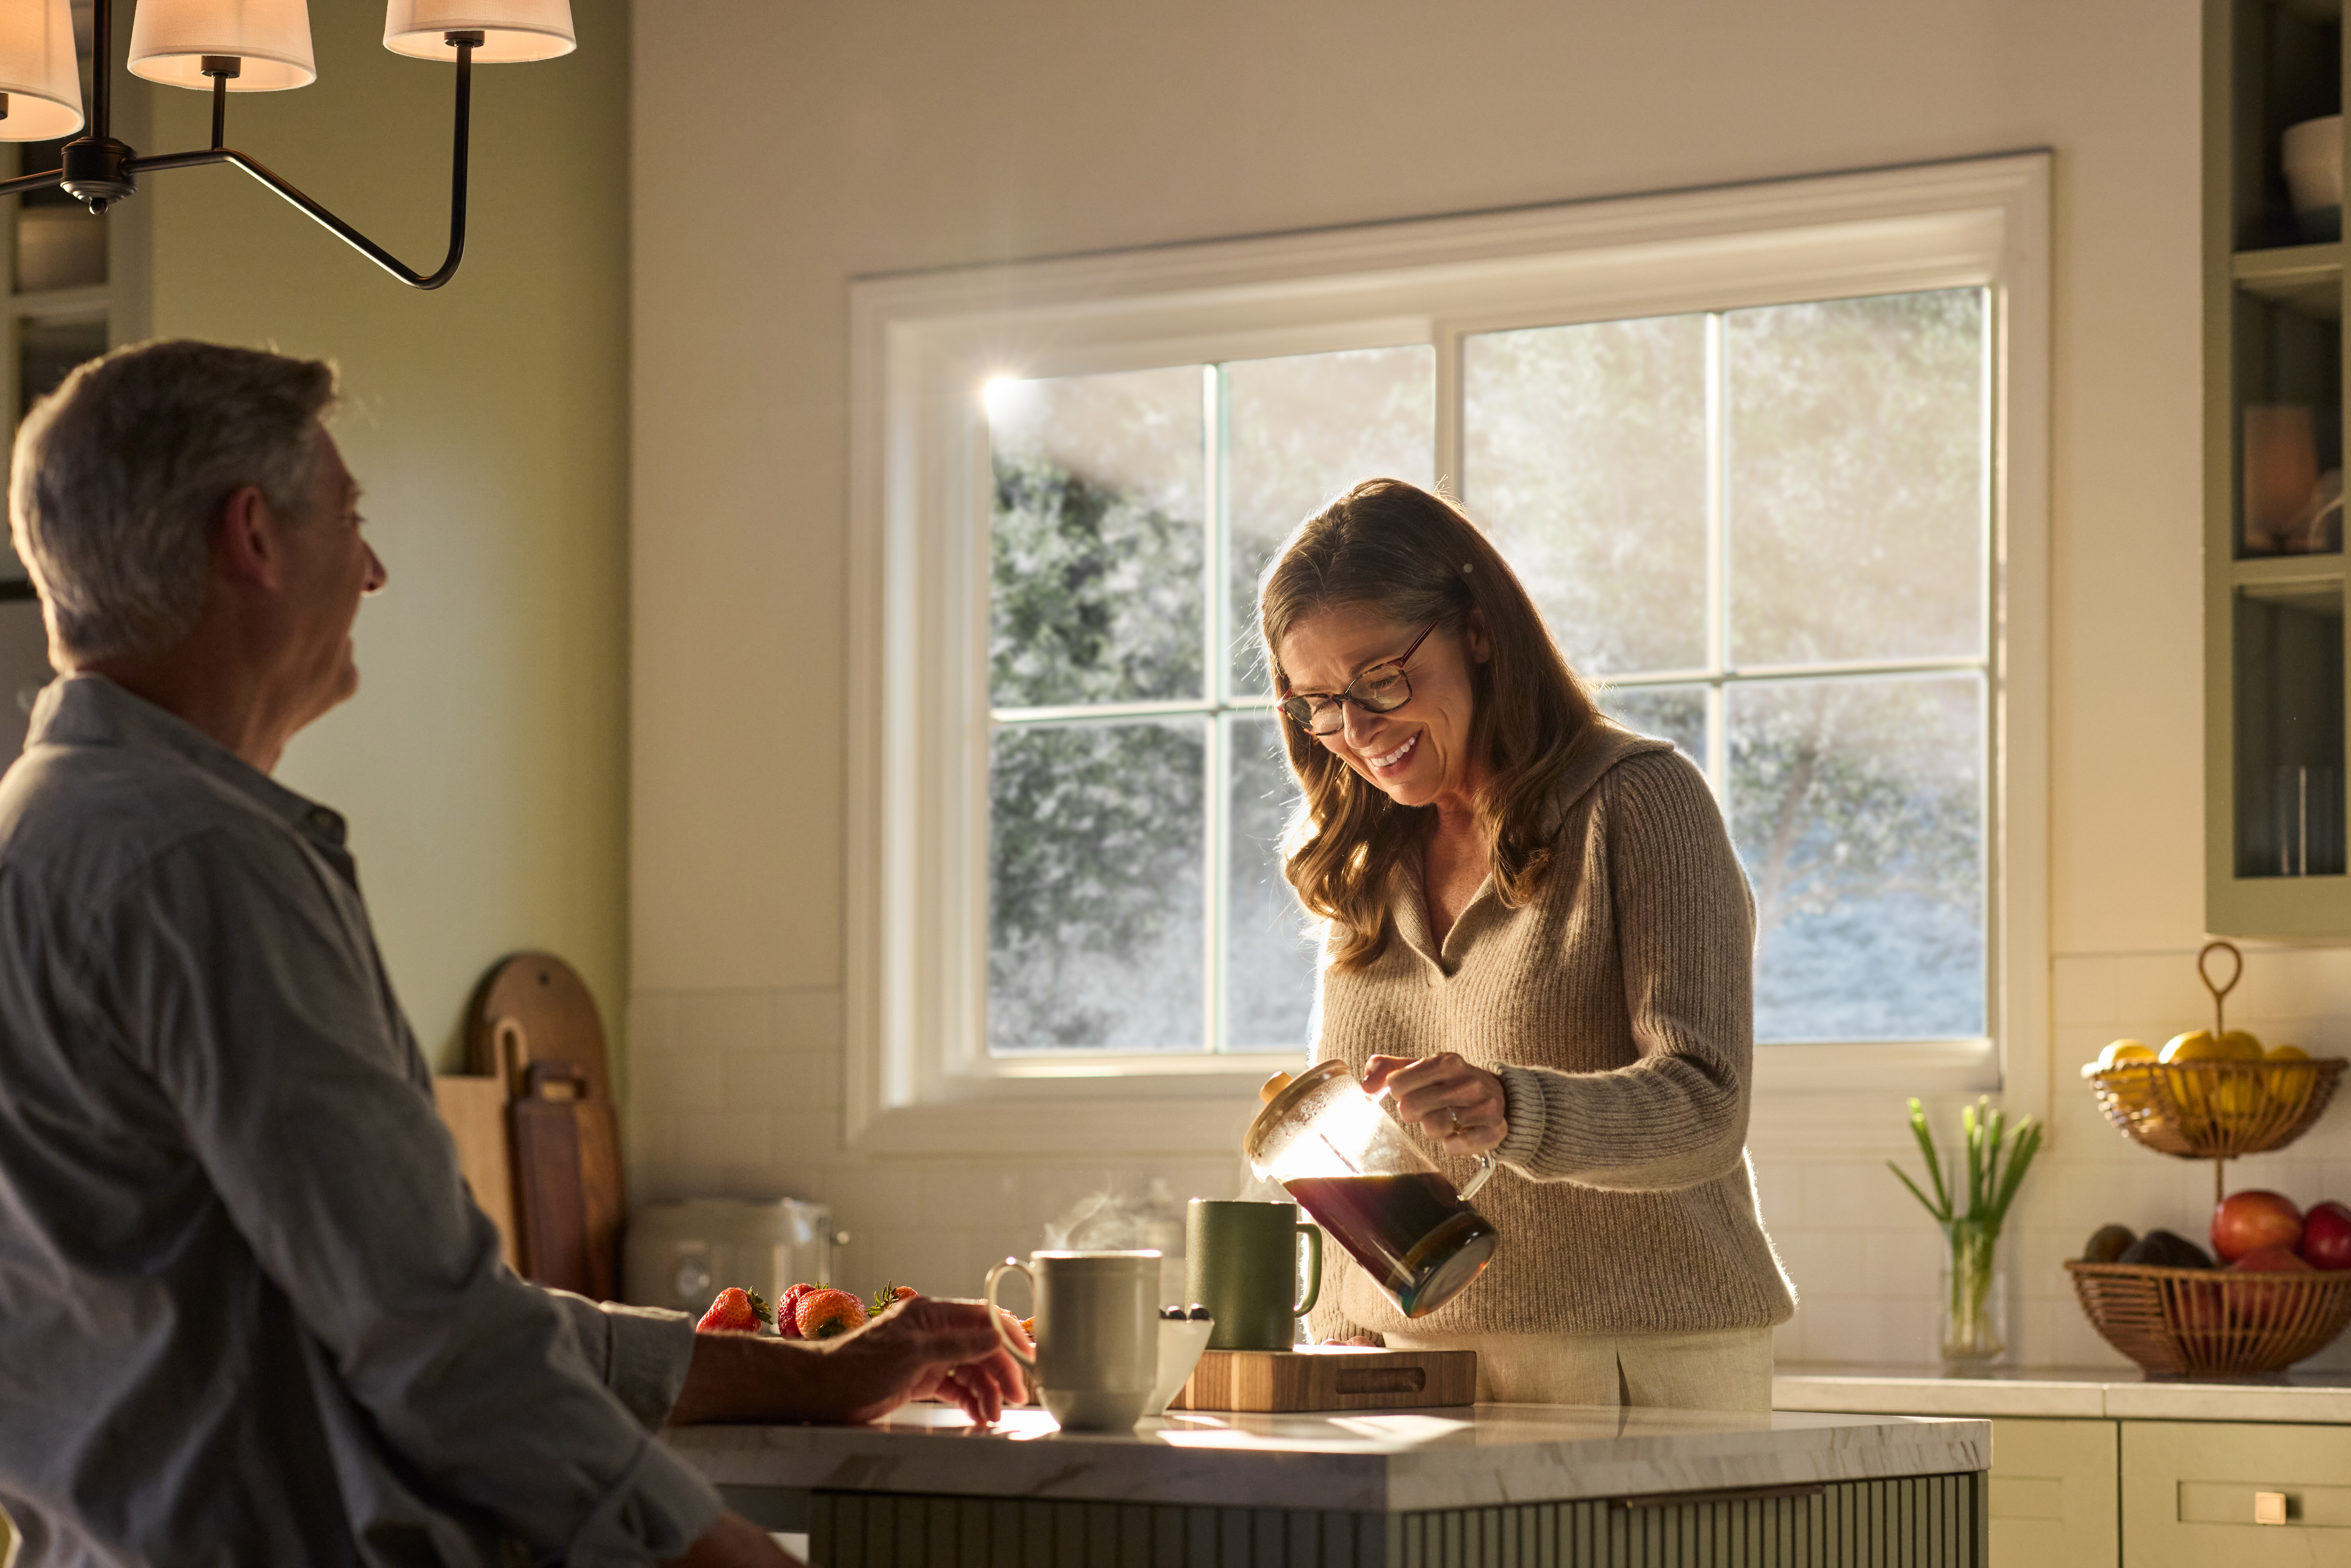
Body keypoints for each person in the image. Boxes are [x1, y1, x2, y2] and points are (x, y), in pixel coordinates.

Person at [0, 341, 1027, 1568]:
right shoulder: (198, 864)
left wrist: (806, 1373)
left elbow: (366, 1297)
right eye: (350, 517)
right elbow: (427, 1327)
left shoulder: (44, 835)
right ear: (253, 539)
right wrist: (707, 1550)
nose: (373, 568)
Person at [1261, 478, 1794, 1410]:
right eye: (1318, 704)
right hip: (1405, 1368)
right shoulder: (1363, 859)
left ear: (1477, 630)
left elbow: (1708, 1107)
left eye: (1380, 681)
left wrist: (1512, 1106)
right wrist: (1337, 1330)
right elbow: (1363, 1158)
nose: (1355, 731)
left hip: (1639, 1364)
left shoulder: (1638, 802)